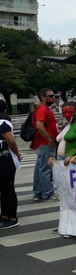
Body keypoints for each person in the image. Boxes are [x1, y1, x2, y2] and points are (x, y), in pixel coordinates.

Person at [31, 88, 59, 201]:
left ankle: (38, 192)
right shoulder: (42, 108)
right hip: (45, 142)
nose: (53, 98)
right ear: (43, 97)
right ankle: (47, 193)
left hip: (42, 142)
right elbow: (39, 125)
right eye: (51, 96)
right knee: (46, 168)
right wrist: (49, 139)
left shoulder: (42, 108)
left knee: (40, 167)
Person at [0, 98, 21, 229]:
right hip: (2, 158)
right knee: (3, 189)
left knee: (8, 189)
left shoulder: (3, 122)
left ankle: (12, 217)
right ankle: (4, 215)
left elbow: (11, 141)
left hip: (5, 158)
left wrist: (17, 154)